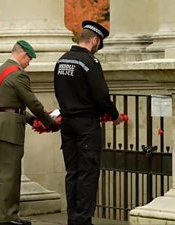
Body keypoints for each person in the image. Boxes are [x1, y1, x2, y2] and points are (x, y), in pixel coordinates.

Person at [53, 21, 123, 225]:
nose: (97, 49)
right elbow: (101, 96)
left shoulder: (61, 61)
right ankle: (82, 220)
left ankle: (73, 217)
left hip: (67, 124)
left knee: (72, 172)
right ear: (94, 40)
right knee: (88, 174)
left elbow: (59, 92)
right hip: (86, 126)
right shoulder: (90, 63)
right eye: (98, 44)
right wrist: (113, 114)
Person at [0, 40, 60, 225]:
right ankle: (9, 218)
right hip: (9, 130)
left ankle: (4, 216)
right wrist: (50, 123)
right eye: (29, 59)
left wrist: (30, 119)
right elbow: (32, 103)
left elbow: (7, 104)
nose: (29, 63)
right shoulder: (19, 75)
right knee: (10, 174)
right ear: (23, 55)